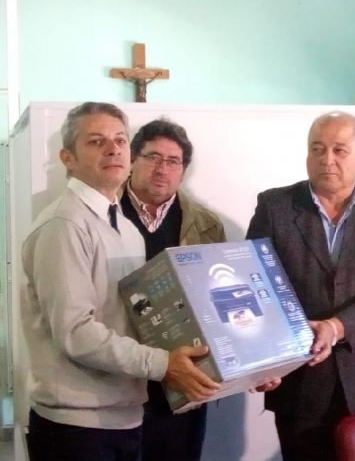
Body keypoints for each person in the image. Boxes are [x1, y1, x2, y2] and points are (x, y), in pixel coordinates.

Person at [21, 102, 220, 461]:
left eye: (119, 140)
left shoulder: (125, 228)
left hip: (126, 415)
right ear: (67, 158)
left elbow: (141, 317)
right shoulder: (64, 226)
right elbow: (76, 332)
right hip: (76, 425)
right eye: (96, 141)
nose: (113, 149)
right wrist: (164, 364)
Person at [246, 111, 355, 460]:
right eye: (317, 149)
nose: (327, 160)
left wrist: (336, 327)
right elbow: (255, 286)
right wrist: (264, 360)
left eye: (339, 150)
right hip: (298, 375)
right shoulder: (275, 207)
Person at [120, 118, 225, 461]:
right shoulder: (103, 213)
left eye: (172, 161)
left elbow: (215, 303)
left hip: (182, 381)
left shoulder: (206, 225)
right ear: (133, 159)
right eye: (152, 157)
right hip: (119, 374)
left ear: (184, 169)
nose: (161, 169)